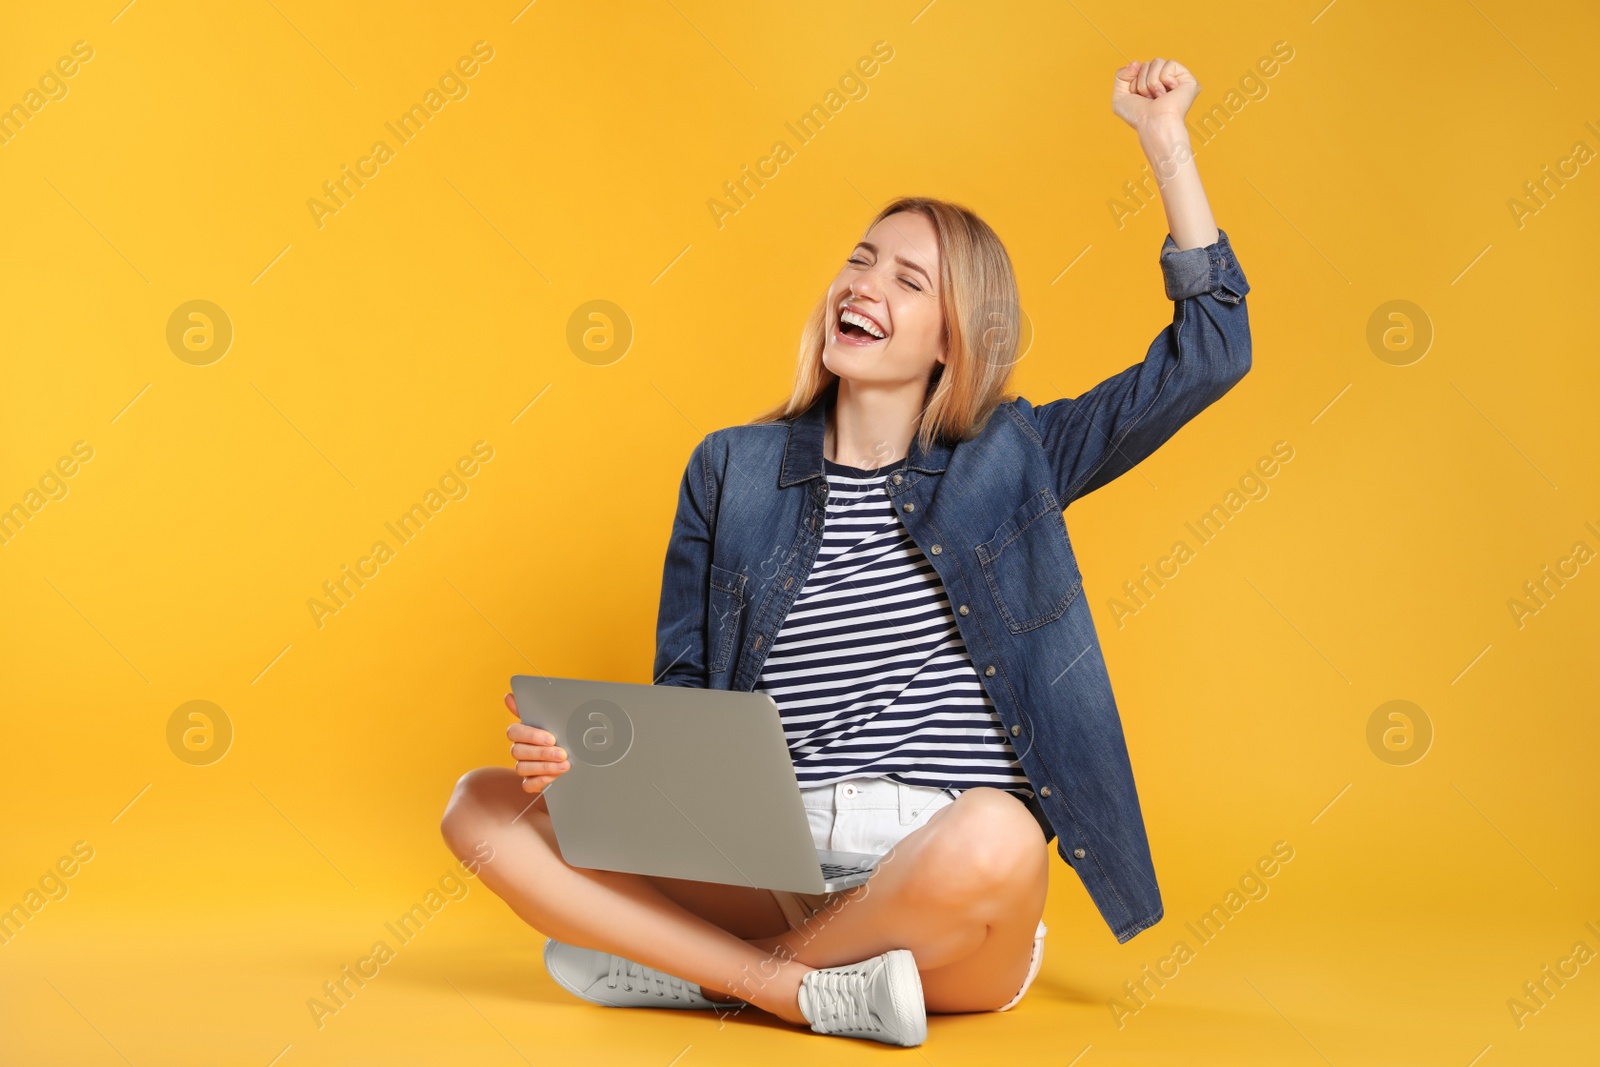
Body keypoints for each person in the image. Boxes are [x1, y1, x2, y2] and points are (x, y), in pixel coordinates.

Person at [440, 55, 1252, 1048]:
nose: (863, 283)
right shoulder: (730, 467)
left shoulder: (1016, 455)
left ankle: (691, 972)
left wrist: (1163, 145)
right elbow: (686, 704)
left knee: (998, 831)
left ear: (953, 338)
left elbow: (1211, 354)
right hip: (767, 865)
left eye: (908, 278)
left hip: (945, 892)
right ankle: (783, 987)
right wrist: (595, 759)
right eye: (861, 259)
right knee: (478, 805)